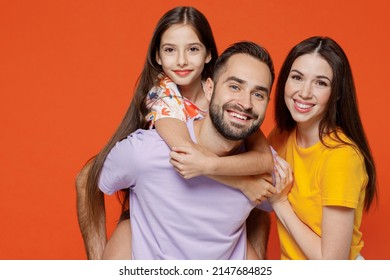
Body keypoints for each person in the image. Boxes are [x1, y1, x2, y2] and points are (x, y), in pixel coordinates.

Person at [76, 6, 275, 260]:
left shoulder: (230, 99)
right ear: (157, 57)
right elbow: (189, 156)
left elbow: (263, 157)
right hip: (159, 204)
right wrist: (243, 182)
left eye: (192, 49)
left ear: (208, 55)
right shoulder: (164, 94)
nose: (181, 61)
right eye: (170, 50)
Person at [268, 36, 377, 260]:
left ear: (336, 93)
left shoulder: (341, 157)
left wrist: (280, 203)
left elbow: (331, 264)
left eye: (321, 83)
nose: (305, 92)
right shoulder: (279, 138)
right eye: (297, 77)